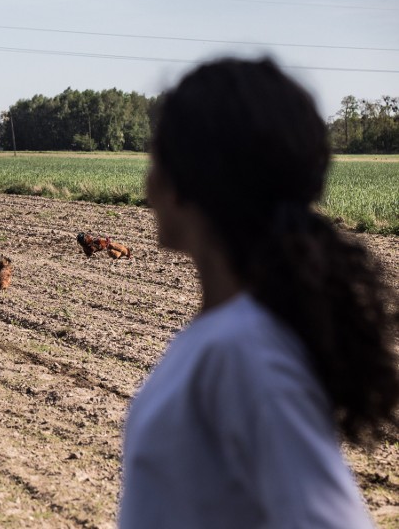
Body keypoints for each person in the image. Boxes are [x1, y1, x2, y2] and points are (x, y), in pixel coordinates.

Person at [118, 58, 399, 528]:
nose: (148, 183)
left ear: (193, 179)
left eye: (157, 158)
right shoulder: (229, 336)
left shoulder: (245, 351)